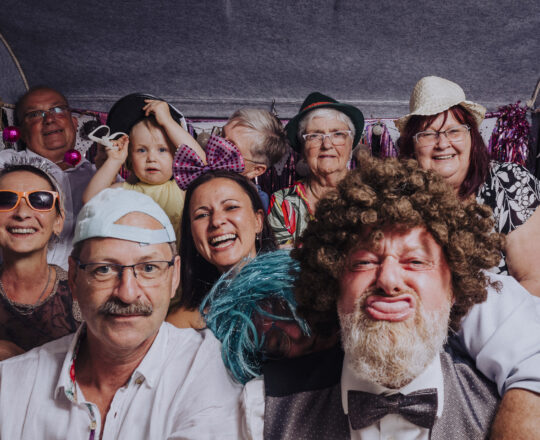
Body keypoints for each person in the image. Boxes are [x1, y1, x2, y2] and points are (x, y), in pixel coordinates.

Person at [238, 155, 540, 439]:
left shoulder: (498, 404)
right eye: (365, 261)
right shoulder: (262, 408)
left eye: (416, 261)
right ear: (333, 283)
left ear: (454, 289)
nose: (389, 280)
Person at [0, 187, 241, 439]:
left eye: (149, 268)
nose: (127, 293)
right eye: (103, 269)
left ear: (174, 277)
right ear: (73, 278)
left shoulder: (206, 367)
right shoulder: (12, 385)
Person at [396, 76, 540, 296]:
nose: (442, 143)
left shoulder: (508, 182)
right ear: (413, 146)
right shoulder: (398, 197)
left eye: (454, 131)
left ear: (472, 136)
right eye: (428, 134)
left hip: (503, 316)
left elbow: (534, 281)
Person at [83, 94, 205, 252]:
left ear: (177, 157)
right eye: (141, 150)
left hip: (175, 264)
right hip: (136, 263)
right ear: (130, 158)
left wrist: (167, 121)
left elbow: (200, 164)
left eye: (162, 150)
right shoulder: (125, 191)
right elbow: (91, 200)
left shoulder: (181, 190)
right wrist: (114, 160)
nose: (151, 158)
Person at [166, 163, 276, 329]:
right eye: (202, 215)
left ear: (258, 221)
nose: (216, 221)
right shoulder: (180, 324)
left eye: (231, 207)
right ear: (192, 234)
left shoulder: (299, 290)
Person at [0, 86, 97, 269]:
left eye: (57, 109)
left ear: (74, 123)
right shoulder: (5, 164)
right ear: (22, 131)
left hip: (82, 282)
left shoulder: (100, 175)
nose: (49, 119)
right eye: (35, 114)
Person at [0, 157, 79, 360]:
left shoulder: (82, 293)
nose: (22, 213)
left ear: (58, 221)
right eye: (6, 200)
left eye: (40, 201)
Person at [267, 92, 364, 246]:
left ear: (351, 144)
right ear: (303, 149)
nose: (327, 145)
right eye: (314, 136)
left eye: (338, 134)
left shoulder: (374, 193)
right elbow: (284, 260)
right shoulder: (283, 202)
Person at [220, 109, 290, 211]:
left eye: (231, 146)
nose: (218, 144)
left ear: (255, 170)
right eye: (221, 134)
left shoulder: (256, 203)